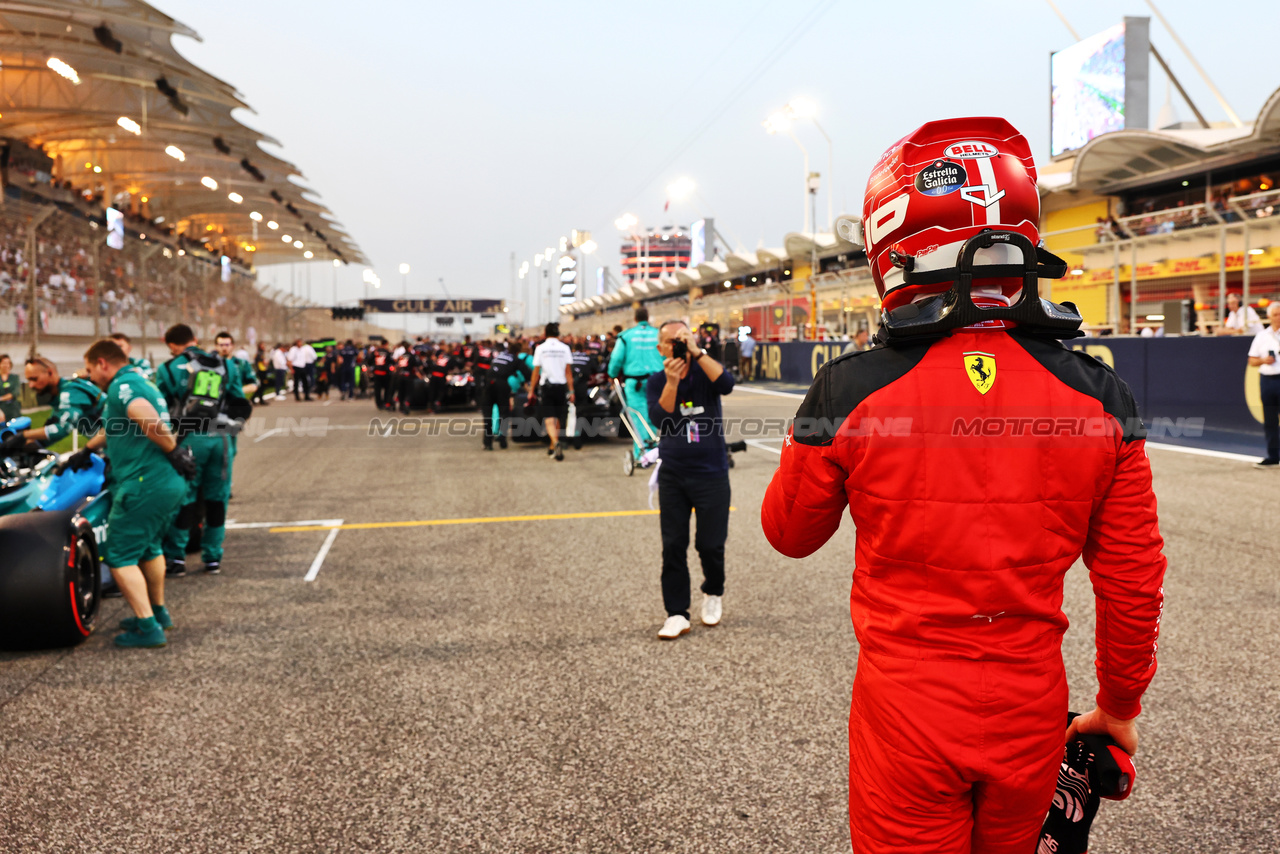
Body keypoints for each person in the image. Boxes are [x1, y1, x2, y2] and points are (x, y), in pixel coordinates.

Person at [760, 118, 1167, 853]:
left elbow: (789, 535)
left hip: (906, 712)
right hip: (1030, 708)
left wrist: (807, 427)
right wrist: (1119, 704)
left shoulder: (849, 390)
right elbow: (1132, 578)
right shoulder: (1100, 395)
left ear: (895, 242)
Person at [75, 338, 193, 648]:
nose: (89, 376)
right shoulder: (141, 381)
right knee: (149, 549)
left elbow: (148, 421)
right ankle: (157, 613)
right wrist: (86, 450)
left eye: (90, 369)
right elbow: (117, 426)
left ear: (103, 363)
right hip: (163, 483)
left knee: (119, 556)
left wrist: (174, 450)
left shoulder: (121, 387)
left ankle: (148, 626)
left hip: (144, 483)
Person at [647, 321, 734, 639]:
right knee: (673, 546)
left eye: (682, 340)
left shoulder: (704, 371)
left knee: (710, 545)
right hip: (674, 473)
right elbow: (660, 420)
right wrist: (671, 382)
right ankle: (676, 613)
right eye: (671, 342)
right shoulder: (657, 380)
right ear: (660, 349)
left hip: (711, 473)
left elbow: (726, 383)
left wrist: (697, 352)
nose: (677, 346)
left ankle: (713, 592)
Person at [157, 324, 247, 576]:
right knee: (218, 498)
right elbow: (240, 402)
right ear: (195, 339)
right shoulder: (226, 365)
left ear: (171, 344)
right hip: (221, 438)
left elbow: (160, 408)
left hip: (189, 438)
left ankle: (176, 558)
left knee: (184, 497)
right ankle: (212, 558)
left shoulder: (167, 368)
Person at [0, 355, 103, 452]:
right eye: (28, 380)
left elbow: (62, 428)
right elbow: (49, 432)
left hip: (116, 444)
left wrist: (23, 435)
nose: (31, 385)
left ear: (50, 373)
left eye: (34, 379)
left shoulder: (69, 392)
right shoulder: (62, 393)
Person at [608, 307, 664, 458]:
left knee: (637, 415)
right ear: (648, 317)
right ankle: (654, 450)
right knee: (654, 415)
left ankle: (642, 452)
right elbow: (667, 355)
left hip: (635, 382)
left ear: (635, 318)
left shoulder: (626, 336)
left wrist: (612, 375)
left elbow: (616, 359)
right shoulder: (659, 334)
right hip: (658, 380)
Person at [529, 322, 574, 460]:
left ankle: (555, 442)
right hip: (561, 387)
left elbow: (536, 372)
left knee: (549, 418)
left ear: (545, 333)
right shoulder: (565, 348)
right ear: (558, 333)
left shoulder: (540, 348)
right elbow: (568, 373)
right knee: (559, 416)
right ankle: (553, 444)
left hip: (546, 387)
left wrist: (531, 390)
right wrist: (571, 391)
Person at [1248, 302, 1280, 467]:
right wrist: (1263, 360)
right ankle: (1273, 455)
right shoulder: (1262, 336)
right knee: (1270, 420)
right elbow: (1252, 360)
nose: (1278, 318)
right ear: (1269, 316)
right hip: (1267, 380)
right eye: (1275, 314)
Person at [484, 341, 532, 449]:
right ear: (518, 352)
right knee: (504, 412)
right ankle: (502, 438)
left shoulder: (500, 355)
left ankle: (487, 443)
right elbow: (527, 373)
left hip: (488, 382)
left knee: (488, 414)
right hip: (501, 383)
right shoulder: (515, 359)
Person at [368, 340, 393, 409]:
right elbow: (391, 361)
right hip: (385, 374)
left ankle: (379, 404)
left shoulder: (375, 352)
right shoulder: (387, 352)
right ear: (386, 344)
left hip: (377, 373)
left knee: (377, 390)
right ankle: (385, 402)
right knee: (387, 389)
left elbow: (369, 361)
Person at [0, 354, 20, 423]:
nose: (7, 365)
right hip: (1, 410)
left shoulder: (14, 377)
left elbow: (15, 392)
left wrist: (1, 398)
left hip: (13, 409)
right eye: (4, 363)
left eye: (8, 363)